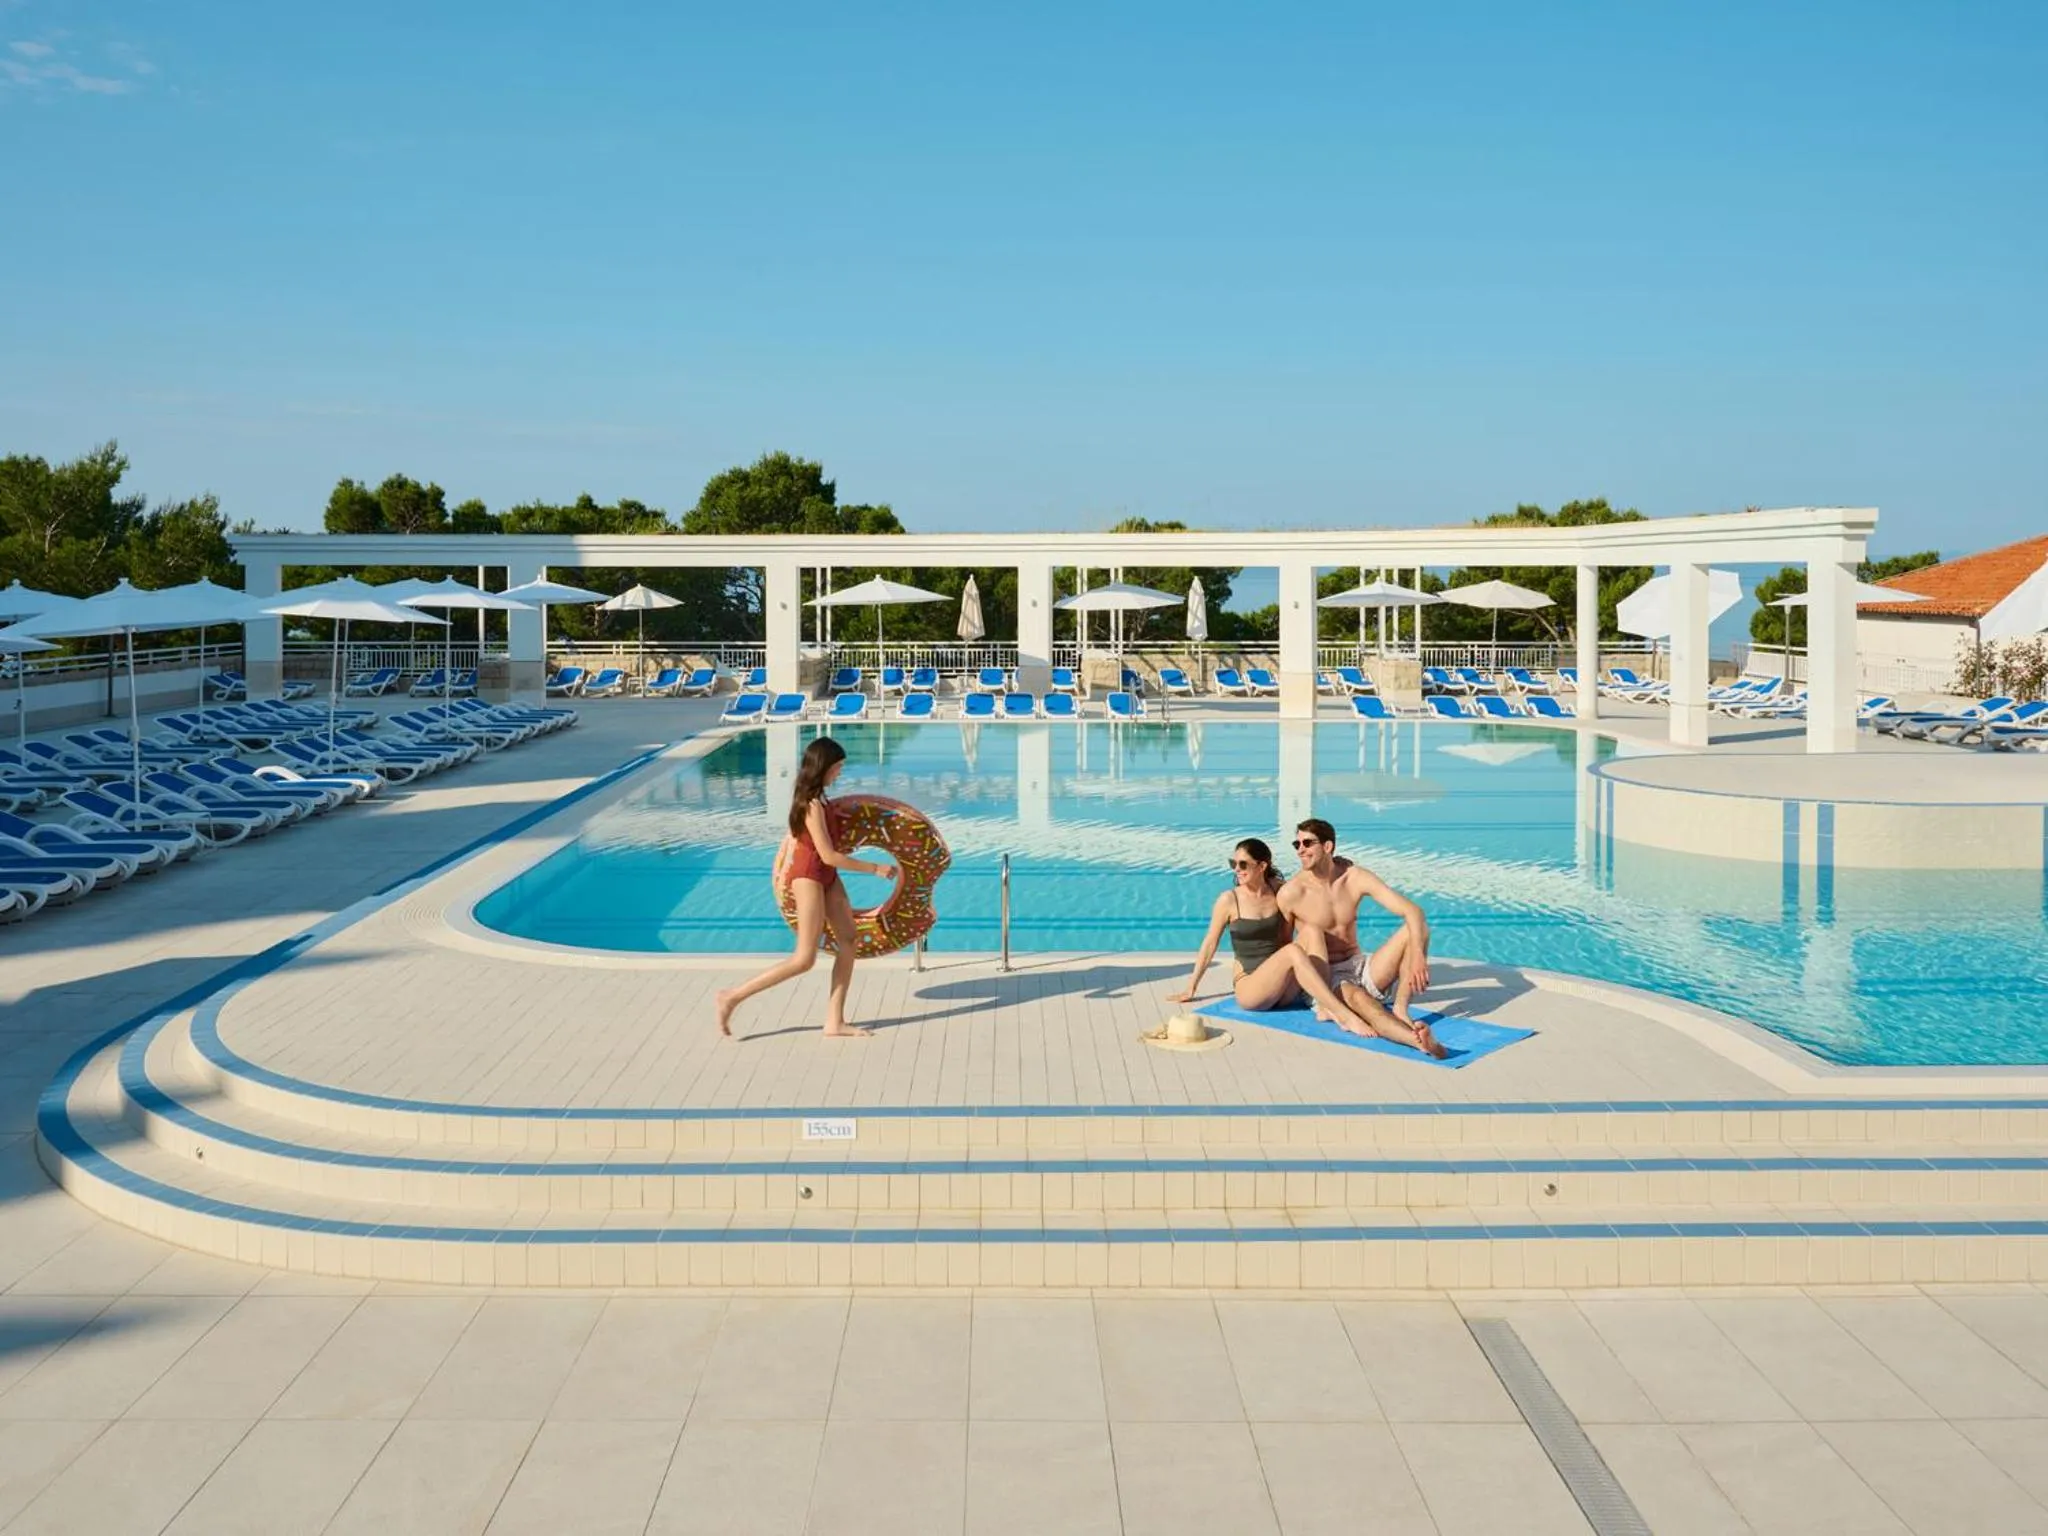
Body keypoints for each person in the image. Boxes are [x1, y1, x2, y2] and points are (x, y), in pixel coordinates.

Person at [715, 736, 898, 1040]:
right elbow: (827, 854)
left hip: (826, 876)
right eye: (837, 767)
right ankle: (732, 996)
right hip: (809, 876)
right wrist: (875, 868)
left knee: (849, 940)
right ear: (823, 767)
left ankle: (834, 1021)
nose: (840, 772)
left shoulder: (823, 800)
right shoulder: (811, 804)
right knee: (804, 959)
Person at [1166, 837, 1385, 1036]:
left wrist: (1334, 863)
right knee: (1291, 951)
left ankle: (1324, 1006)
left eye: (1243, 864)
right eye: (1234, 864)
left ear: (1262, 866)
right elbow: (1210, 943)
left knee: (1312, 930)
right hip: (1252, 989)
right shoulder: (1229, 900)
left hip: (1284, 987)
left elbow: (1309, 880)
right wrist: (1191, 987)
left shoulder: (1278, 890)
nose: (1237, 870)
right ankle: (1342, 1014)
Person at [1278, 817, 1446, 1058]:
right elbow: (1286, 950)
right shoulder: (1291, 893)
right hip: (1329, 977)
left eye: (1307, 843)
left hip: (1361, 966)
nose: (1300, 850)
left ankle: (1400, 1008)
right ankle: (1419, 1042)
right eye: (1297, 845)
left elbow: (1413, 911)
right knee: (1363, 1003)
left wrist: (1418, 954)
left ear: (1327, 847)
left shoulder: (1355, 877)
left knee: (1417, 928)